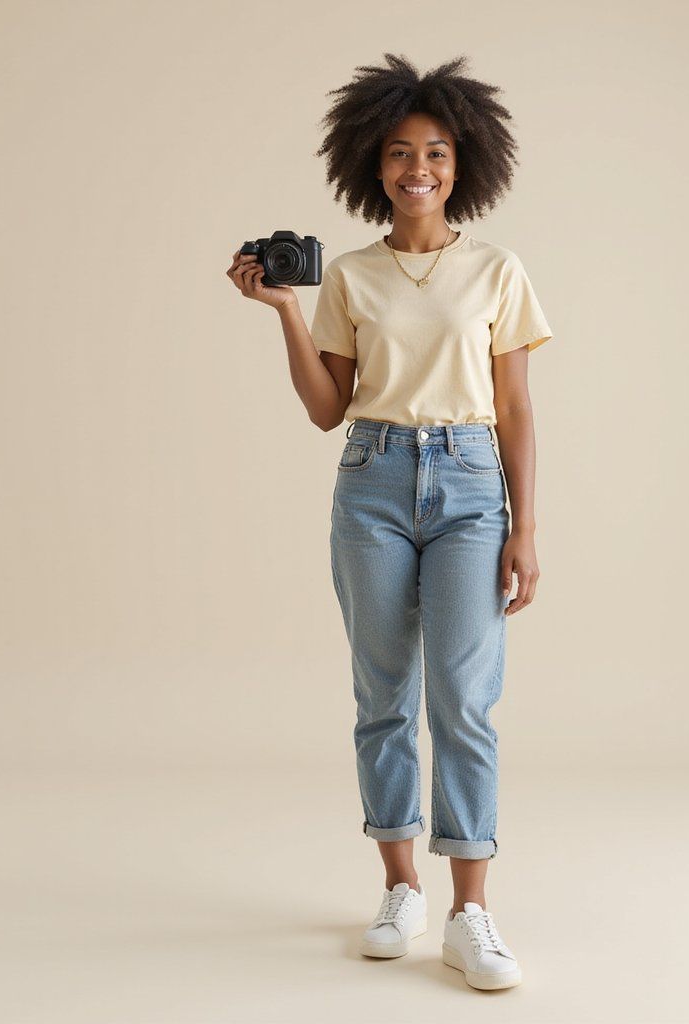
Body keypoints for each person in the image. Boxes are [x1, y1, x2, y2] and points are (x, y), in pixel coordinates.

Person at [225, 53, 553, 992]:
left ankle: (470, 910)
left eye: (438, 153)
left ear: (463, 164)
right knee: (383, 694)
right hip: (370, 478)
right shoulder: (352, 276)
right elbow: (328, 408)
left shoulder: (497, 268)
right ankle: (400, 887)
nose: (420, 168)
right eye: (402, 152)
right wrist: (283, 309)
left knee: (462, 695)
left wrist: (525, 529)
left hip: (468, 483)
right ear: (373, 162)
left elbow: (519, 409)